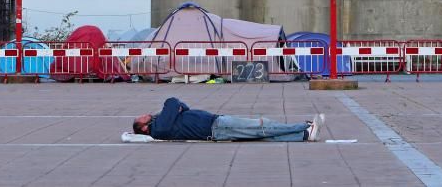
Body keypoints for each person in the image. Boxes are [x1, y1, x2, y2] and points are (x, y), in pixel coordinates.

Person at [132, 97, 324, 142]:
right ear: (143, 128)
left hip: (216, 123)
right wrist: (172, 108)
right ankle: (304, 126)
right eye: (141, 118)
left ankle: (305, 135)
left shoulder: (163, 120)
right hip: (216, 128)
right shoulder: (159, 128)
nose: (144, 114)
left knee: (261, 135)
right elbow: (172, 101)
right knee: (262, 126)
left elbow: (183, 106)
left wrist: (176, 108)